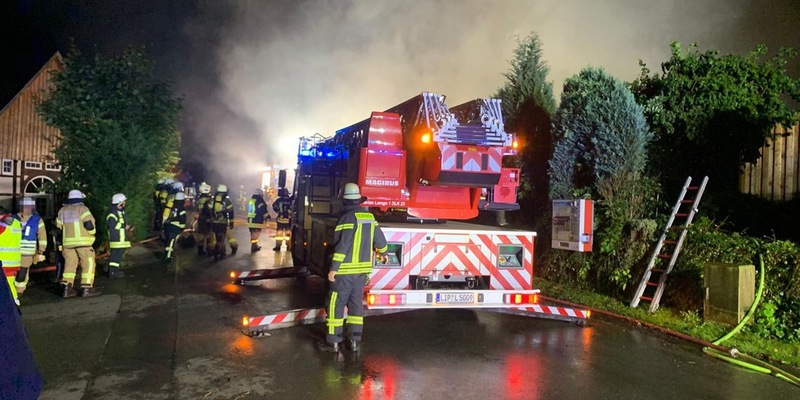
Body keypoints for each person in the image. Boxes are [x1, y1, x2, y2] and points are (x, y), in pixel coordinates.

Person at [321, 183, 388, 353]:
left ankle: (333, 342)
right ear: (359, 200)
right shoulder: (369, 217)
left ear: (344, 201)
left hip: (343, 273)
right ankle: (354, 342)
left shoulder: (346, 218)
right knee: (356, 306)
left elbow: (342, 245)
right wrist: (384, 253)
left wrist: (333, 268)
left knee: (336, 305)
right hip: (361, 273)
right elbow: (380, 240)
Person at [56, 189, 100, 298]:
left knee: (70, 264)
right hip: (83, 243)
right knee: (88, 263)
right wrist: (92, 234)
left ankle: (67, 288)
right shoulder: (82, 209)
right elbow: (89, 224)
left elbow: (58, 227)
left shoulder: (62, 210)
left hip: (67, 244)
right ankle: (87, 288)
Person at [14, 197, 47, 297]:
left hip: (25, 252)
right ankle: (16, 291)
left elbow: (42, 236)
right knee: (19, 272)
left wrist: (41, 250)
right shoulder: (14, 218)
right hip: (14, 252)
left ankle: (19, 290)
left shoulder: (36, 220)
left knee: (22, 272)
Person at [0, 205, 23, 305]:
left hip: (4, 260)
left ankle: (12, 301)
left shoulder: (3, 224)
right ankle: (13, 300)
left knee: (7, 282)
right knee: (10, 281)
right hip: (14, 259)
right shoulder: (16, 223)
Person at [106, 193, 131, 278]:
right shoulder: (112, 214)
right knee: (115, 256)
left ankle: (115, 271)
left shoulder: (120, 212)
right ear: (119, 202)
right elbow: (113, 225)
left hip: (121, 239)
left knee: (118, 255)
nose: (125, 203)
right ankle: (112, 272)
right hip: (116, 239)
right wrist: (124, 226)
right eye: (124, 201)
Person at [210, 184, 237, 259]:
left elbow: (208, 210)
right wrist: (231, 222)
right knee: (221, 238)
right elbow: (231, 212)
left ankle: (215, 252)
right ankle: (221, 253)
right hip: (223, 222)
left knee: (216, 237)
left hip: (214, 222)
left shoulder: (213, 199)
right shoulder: (227, 200)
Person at [164, 192, 187, 262]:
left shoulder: (173, 205)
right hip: (175, 228)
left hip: (168, 225)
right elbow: (182, 220)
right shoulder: (182, 210)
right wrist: (182, 228)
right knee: (171, 243)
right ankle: (168, 257)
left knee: (168, 241)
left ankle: (168, 255)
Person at [192, 182, 214, 256]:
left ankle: (200, 250)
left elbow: (197, 209)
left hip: (201, 219)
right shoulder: (209, 200)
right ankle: (209, 250)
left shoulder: (200, 199)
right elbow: (211, 210)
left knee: (201, 234)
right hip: (208, 219)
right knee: (209, 235)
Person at [247, 188, 269, 252]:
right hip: (257, 220)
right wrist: (268, 216)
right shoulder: (260, 201)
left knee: (253, 233)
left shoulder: (251, 200)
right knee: (256, 234)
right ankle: (254, 246)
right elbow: (262, 210)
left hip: (250, 220)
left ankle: (254, 245)